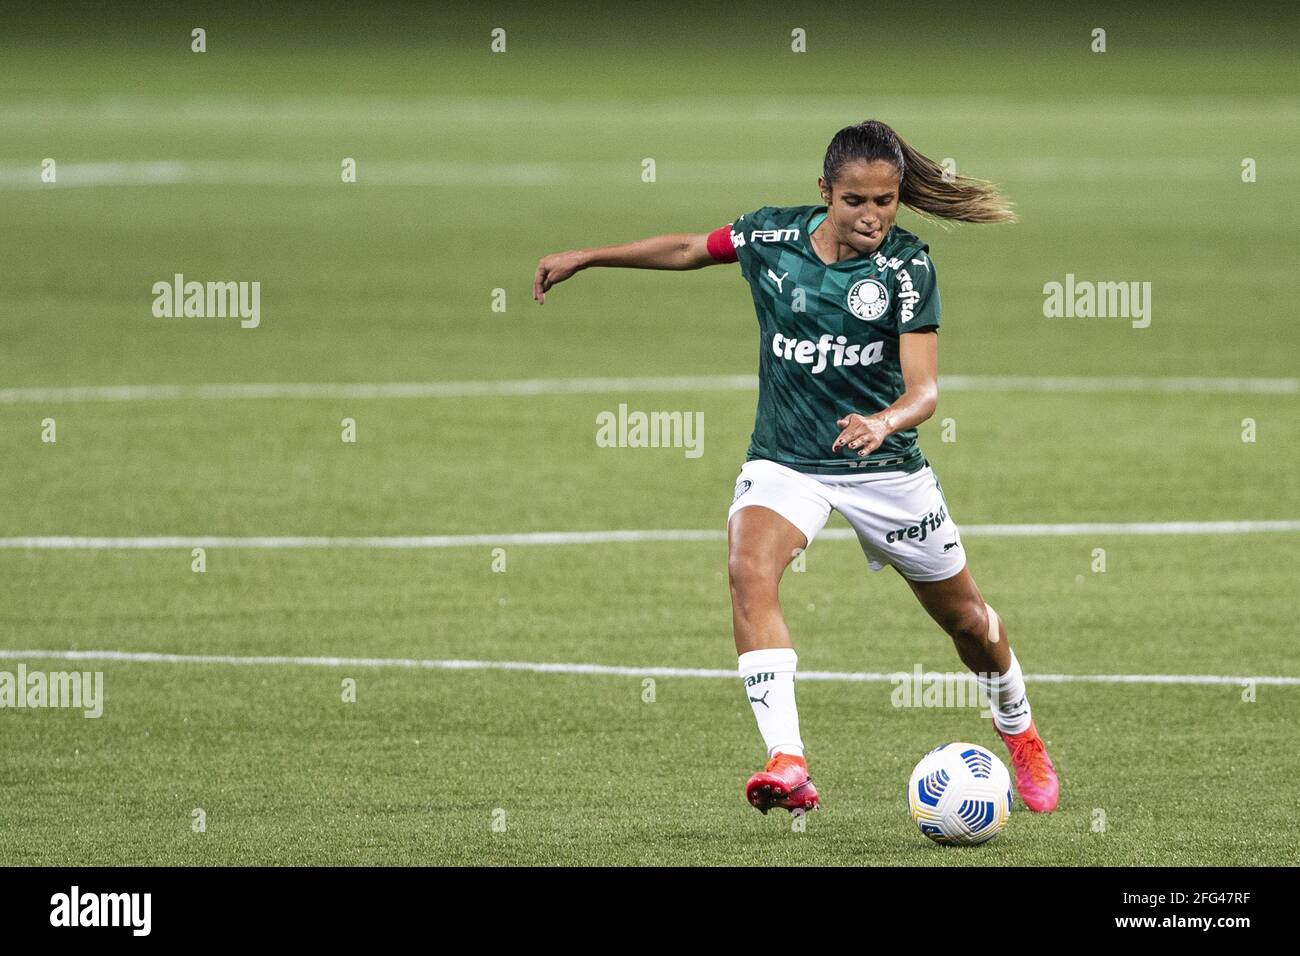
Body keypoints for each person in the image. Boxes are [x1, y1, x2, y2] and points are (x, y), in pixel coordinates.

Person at [532, 120, 1059, 816]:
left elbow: (925, 391)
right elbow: (692, 246)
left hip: (884, 466)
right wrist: (590, 256)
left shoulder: (906, 268)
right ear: (825, 193)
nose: (872, 216)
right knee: (748, 571)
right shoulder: (770, 238)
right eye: (856, 201)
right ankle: (787, 761)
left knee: (967, 622)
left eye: (886, 200)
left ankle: (1019, 731)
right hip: (787, 460)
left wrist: (884, 420)